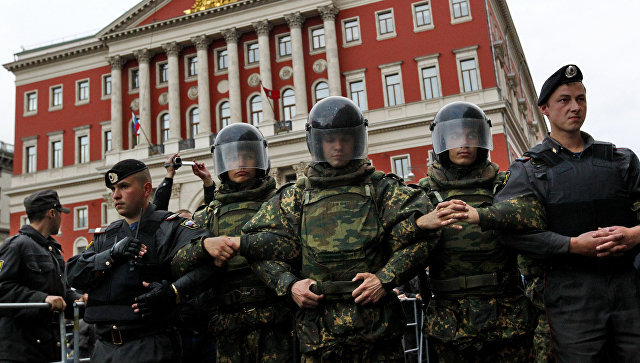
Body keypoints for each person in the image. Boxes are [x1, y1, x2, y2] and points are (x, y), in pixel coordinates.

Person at [207, 96, 455, 361]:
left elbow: (427, 235)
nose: (337, 146)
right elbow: (255, 244)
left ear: (356, 140)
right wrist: (289, 285)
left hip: (376, 330)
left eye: (345, 139)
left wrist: (385, 279)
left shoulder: (383, 189)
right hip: (319, 333)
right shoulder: (295, 196)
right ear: (317, 142)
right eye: (329, 140)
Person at [494, 64, 640, 361]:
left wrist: (635, 235)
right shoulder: (529, 170)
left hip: (628, 294)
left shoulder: (621, 160)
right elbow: (510, 233)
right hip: (572, 299)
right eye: (565, 100)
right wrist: (572, 246)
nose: (575, 107)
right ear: (545, 108)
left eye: (581, 99)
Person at [415, 102, 536, 362]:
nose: (464, 142)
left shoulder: (504, 182)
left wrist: (484, 215)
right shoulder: (424, 191)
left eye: (471, 134)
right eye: (456, 136)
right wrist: (421, 223)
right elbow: (396, 237)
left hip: (506, 312)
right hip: (450, 317)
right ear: (442, 140)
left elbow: (531, 213)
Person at [66, 159, 213, 362]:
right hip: (103, 350)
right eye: (113, 189)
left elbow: (210, 263)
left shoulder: (171, 228)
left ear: (146, 189)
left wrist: (172, 292)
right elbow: (73, 274)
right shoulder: (107, 236)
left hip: (149, 347)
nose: (116, 195)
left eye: (124, 187)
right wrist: (111, 255)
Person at [171, 122, 293, 362]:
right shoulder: (208, 214)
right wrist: (204, 248)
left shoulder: (281, 203)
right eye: (233, 157)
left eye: (247, 155)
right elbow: (177, 261)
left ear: (259, 158)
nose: (240, 163)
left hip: (276, 319)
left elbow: (296, 247)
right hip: (227, 323)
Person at [0, 189, 83, 362]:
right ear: (52, 213)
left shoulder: (52, 250)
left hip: (48, 347)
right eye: (60, 212)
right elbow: (3, 289)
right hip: (19, 351)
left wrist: (80, 299)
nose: (61, 217)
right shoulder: (15, 246)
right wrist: (42, 299)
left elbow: (61, 294)